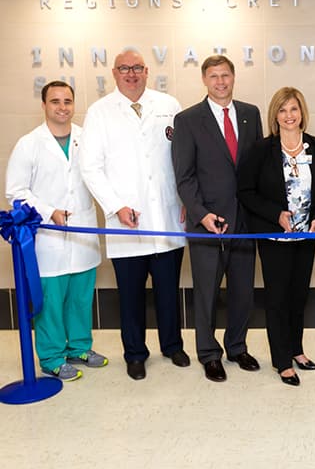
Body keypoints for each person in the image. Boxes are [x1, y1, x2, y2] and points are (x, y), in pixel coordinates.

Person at [80, 49, 189, 381]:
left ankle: (172, 346)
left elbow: (185, 158)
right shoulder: (99, 112)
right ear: (114, 73)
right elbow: (90, 167)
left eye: (137, 68)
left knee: (169, 290)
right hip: (127, 222)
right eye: (125, 68)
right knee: (130, 296)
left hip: (167, 218)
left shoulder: (168, 105)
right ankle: (135, 354)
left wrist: (186, 198)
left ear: (147, 71)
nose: (132, 74)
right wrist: (116, 206)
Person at [6, 81, 106, 381]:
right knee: (50, 301)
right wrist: (49, 212)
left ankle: (79, 347)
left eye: (67, 101)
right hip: (48, 237)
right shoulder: (29, 143)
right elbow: (15, 191)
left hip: (83, 230)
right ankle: (51, 357)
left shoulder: (86, 138)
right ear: (44, 105)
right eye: (55, 101)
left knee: (80, 296)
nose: (62, 107)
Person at [172, 55, 262, 383]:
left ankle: (237, 346)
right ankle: (209, 353)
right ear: (204, 80)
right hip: (207, 222)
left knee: (243, 291)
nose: (220, 81)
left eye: (225, 75)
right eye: (214, 76)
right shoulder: (187, 120)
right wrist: (201, 214)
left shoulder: (251, 115)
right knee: (207, 291)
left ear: (234, 77)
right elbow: (184, 177)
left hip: (244, 223)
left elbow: (255, 170)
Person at [237, 87, 315, 387]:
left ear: (302, 112)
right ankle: (282, 360)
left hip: (306, 237)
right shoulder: (261, 150)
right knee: (277, 299)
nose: (289, 116)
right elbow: (246, 192)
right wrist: (275, 214)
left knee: (298, 296)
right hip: (274, 238)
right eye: (282, 110)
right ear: (274, 115)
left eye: (293, 109)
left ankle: (297, 350)